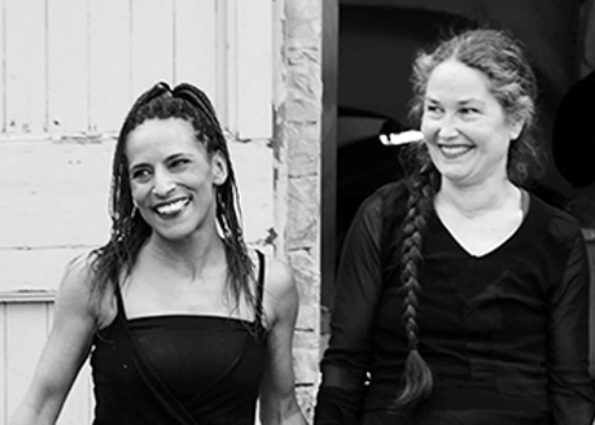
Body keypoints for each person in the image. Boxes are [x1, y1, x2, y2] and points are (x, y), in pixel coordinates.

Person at [314, 28, 595, 425]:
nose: (445, 131)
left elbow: (570, 387)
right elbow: (344, 368)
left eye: (467, 111)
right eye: (435, 109)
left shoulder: (558, 237)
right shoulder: (383, 216)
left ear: (516, 121)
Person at [10, 82, 307, 425]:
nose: (161, 187)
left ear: (218, 168)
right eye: (142, 173)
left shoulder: (269, 284)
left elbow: (282, 412)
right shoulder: (96, 280)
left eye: (177, 163)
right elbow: (39, 407)